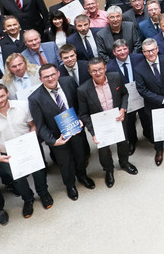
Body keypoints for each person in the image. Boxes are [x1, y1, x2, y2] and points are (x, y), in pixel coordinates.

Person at [0, 84, 52, 218]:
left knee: (39, 173)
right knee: (18, 180)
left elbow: (33, 125)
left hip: (29, 146)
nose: (0, 100)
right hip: (8, 153)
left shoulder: (23, 105)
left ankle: (44, 194)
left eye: (2, 96)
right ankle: (28, 199)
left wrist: (32, 140)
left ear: (7, 93)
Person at [28, 64, 93, 201]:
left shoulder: (68, 81)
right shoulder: (35, 98)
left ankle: (82, 176)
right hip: (58, 137)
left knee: (80, 156)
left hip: (76, 129)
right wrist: (53, 141)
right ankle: (70, 185)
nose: (50, 78)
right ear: (40, 79)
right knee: (65, 163)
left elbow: (79, 103)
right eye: (46, 77)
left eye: (52, 74)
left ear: (58, 73)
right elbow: (40, 125)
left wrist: (81, 119)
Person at [78, 58, 138, 188]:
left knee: (123, 142)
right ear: (89, 72)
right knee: (104, 150)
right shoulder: (83, 90)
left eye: (100, 69)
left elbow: (124, 94)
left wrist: (123, 109)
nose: (98, 73)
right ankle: (109, 170)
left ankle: (124, 162)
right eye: (94, 71)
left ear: (105, 68)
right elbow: (83, 114)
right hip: (100, 125)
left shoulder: (115, 77)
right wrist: (93, 132)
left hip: (118, 118)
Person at [106, 39, 144, 152]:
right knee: (129, 122)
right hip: (125, 98)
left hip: (140, 94)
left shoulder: (139, 58)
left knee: (145, 116)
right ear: (114, 52)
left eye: (125, 49)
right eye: (119, 50)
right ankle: (132, 141)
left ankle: (148, 134)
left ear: (128, 49)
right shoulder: (110, 67)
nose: (122, 52)